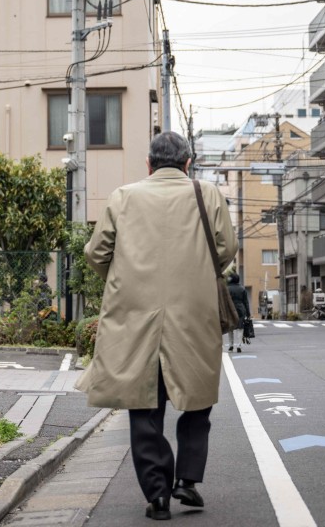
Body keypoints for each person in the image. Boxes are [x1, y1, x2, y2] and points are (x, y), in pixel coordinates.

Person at [75, 131, 237, 521]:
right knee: (198, 399)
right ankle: (187, 481)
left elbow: (96, 252)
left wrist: (123, 275)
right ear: (188, 163)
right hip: (194, 316)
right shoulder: (208, 194)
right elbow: (227, 249)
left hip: (134, 314)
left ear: (148, 164)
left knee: (143, 404)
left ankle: (158, 495)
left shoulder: (124, 197)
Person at [226, 273, 250, 353]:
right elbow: (246, 302)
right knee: (240, 327)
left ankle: (231, 345)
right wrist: (248, 313)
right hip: (240, 309)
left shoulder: (227, 288)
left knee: (230, 327)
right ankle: (239, 345)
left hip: (230, 309)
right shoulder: (242, 289)